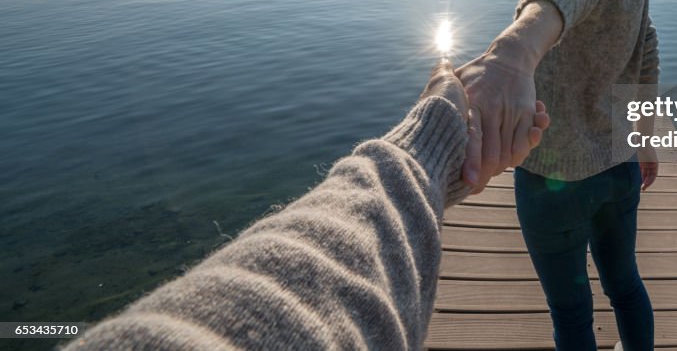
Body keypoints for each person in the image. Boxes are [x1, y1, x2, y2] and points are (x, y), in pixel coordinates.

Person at [66, 63, 549, 350]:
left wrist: (513, 51)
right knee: (593, 293)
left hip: (577, 171)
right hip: (570, 165)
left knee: (587, 291)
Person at [457, 0, 660, 351]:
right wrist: (644, 136)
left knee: (571, 314)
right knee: (626, 286)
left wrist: (512, 53)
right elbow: (647, 54)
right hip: (617, 166)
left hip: (555, 178)